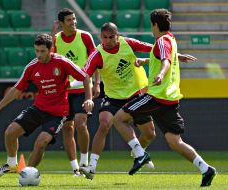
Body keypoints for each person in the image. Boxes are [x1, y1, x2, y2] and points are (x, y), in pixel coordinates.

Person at [113, 9, 216, 187]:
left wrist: (160, 74)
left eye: (151, 25)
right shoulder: (171, 39)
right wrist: (144, 61)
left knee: (119, 119)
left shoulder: (161, 40)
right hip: (170, 100)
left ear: (154, 24)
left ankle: (140, 154)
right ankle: (206, 169)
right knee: (174, 142)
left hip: (156, 96)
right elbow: (164, 56)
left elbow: (165, 62)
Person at [0, 33, 94, 177]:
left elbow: (85, 77)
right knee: (10, 132)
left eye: (43, 51)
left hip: (58, 113)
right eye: (36, 50)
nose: (39, 54)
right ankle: (11, 164)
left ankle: (27, 173)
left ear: (51, 50)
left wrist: (88, 98)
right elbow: (17, 89)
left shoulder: (62, 62)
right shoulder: (32, 66)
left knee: (41, 143)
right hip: (38, 108)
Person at [79, 22, 159, 180]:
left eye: (111, 37)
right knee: (104, 123)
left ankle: (138, 152)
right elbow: (84, 73)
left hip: (135, 95)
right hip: (113, 98)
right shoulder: (97, 54)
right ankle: (92, 167)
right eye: (104, 37)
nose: (107, 40)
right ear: (100, 37)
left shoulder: (128, 43)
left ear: (118, 36)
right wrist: (87, 97)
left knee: (150, 134)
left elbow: (154, 49)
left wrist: (173, 55)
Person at [51, 8, 100, 176]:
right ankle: (75, 169)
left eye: (74, 19)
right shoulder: (56, 39)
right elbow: (49, 59)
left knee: (80, 123)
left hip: (82, 88)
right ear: (61, 23)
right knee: (67, 128)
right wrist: (52, 34)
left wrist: (97, 83)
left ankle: (84, 162)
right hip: (65, 90)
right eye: (70, 20)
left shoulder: (85, 36)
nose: (73, 22)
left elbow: (96, 59)